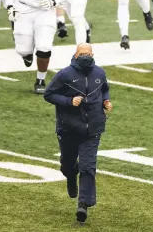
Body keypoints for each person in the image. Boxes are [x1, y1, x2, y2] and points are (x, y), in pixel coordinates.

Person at [44, 43, 113, 223]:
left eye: (87, 53)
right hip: (69, 128)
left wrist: (106, 101)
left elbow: (104, 88)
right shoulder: (65, 74)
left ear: (92, 54)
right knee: (67, 164)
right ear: (75, 55)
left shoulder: (99, 73)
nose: (85, 56)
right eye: (81, 53)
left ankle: (83, 204)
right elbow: (49, 94)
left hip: (93, 128)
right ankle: (70, 175)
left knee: (88, 166)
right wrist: (69, 101)